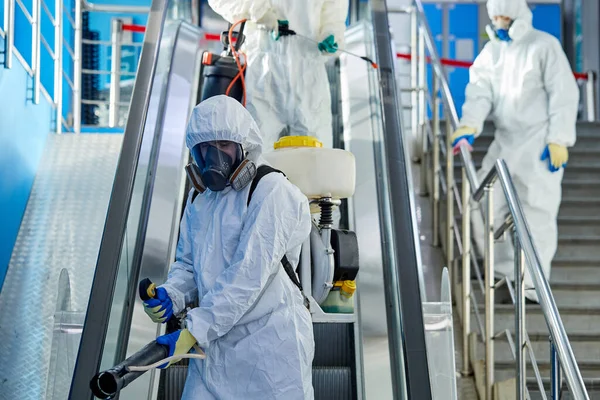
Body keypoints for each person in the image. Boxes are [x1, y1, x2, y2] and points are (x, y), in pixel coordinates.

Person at [143, 95, 315, 399]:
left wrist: (195, 329)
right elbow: (188, 265)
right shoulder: (200, 199)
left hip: (270, 350)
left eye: (223, 145)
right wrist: (172, 294)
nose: (214, 158)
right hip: (214, 350)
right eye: (204, 149)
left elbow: (249, 275)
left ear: (243, 145)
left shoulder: (271, 190)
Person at [451, 0, 579, 303]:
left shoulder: (544, 45)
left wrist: (559, 138)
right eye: (496, 16)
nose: (500, 22)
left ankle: (533, 286)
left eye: (505, 16)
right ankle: (504, 275)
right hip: (505, 143)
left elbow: (563, 91)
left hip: (539, 144)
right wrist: (469, 124)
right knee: (483, 203)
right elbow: (479, 90)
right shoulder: (492, 52)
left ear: (519, 14)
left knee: (536, 212)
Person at [207, 0, 348, 151]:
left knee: (315, 160)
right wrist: (260, 12)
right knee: (256, 157)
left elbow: (335, 15)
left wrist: (331, 35)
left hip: (309, 75)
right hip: (264, 73)